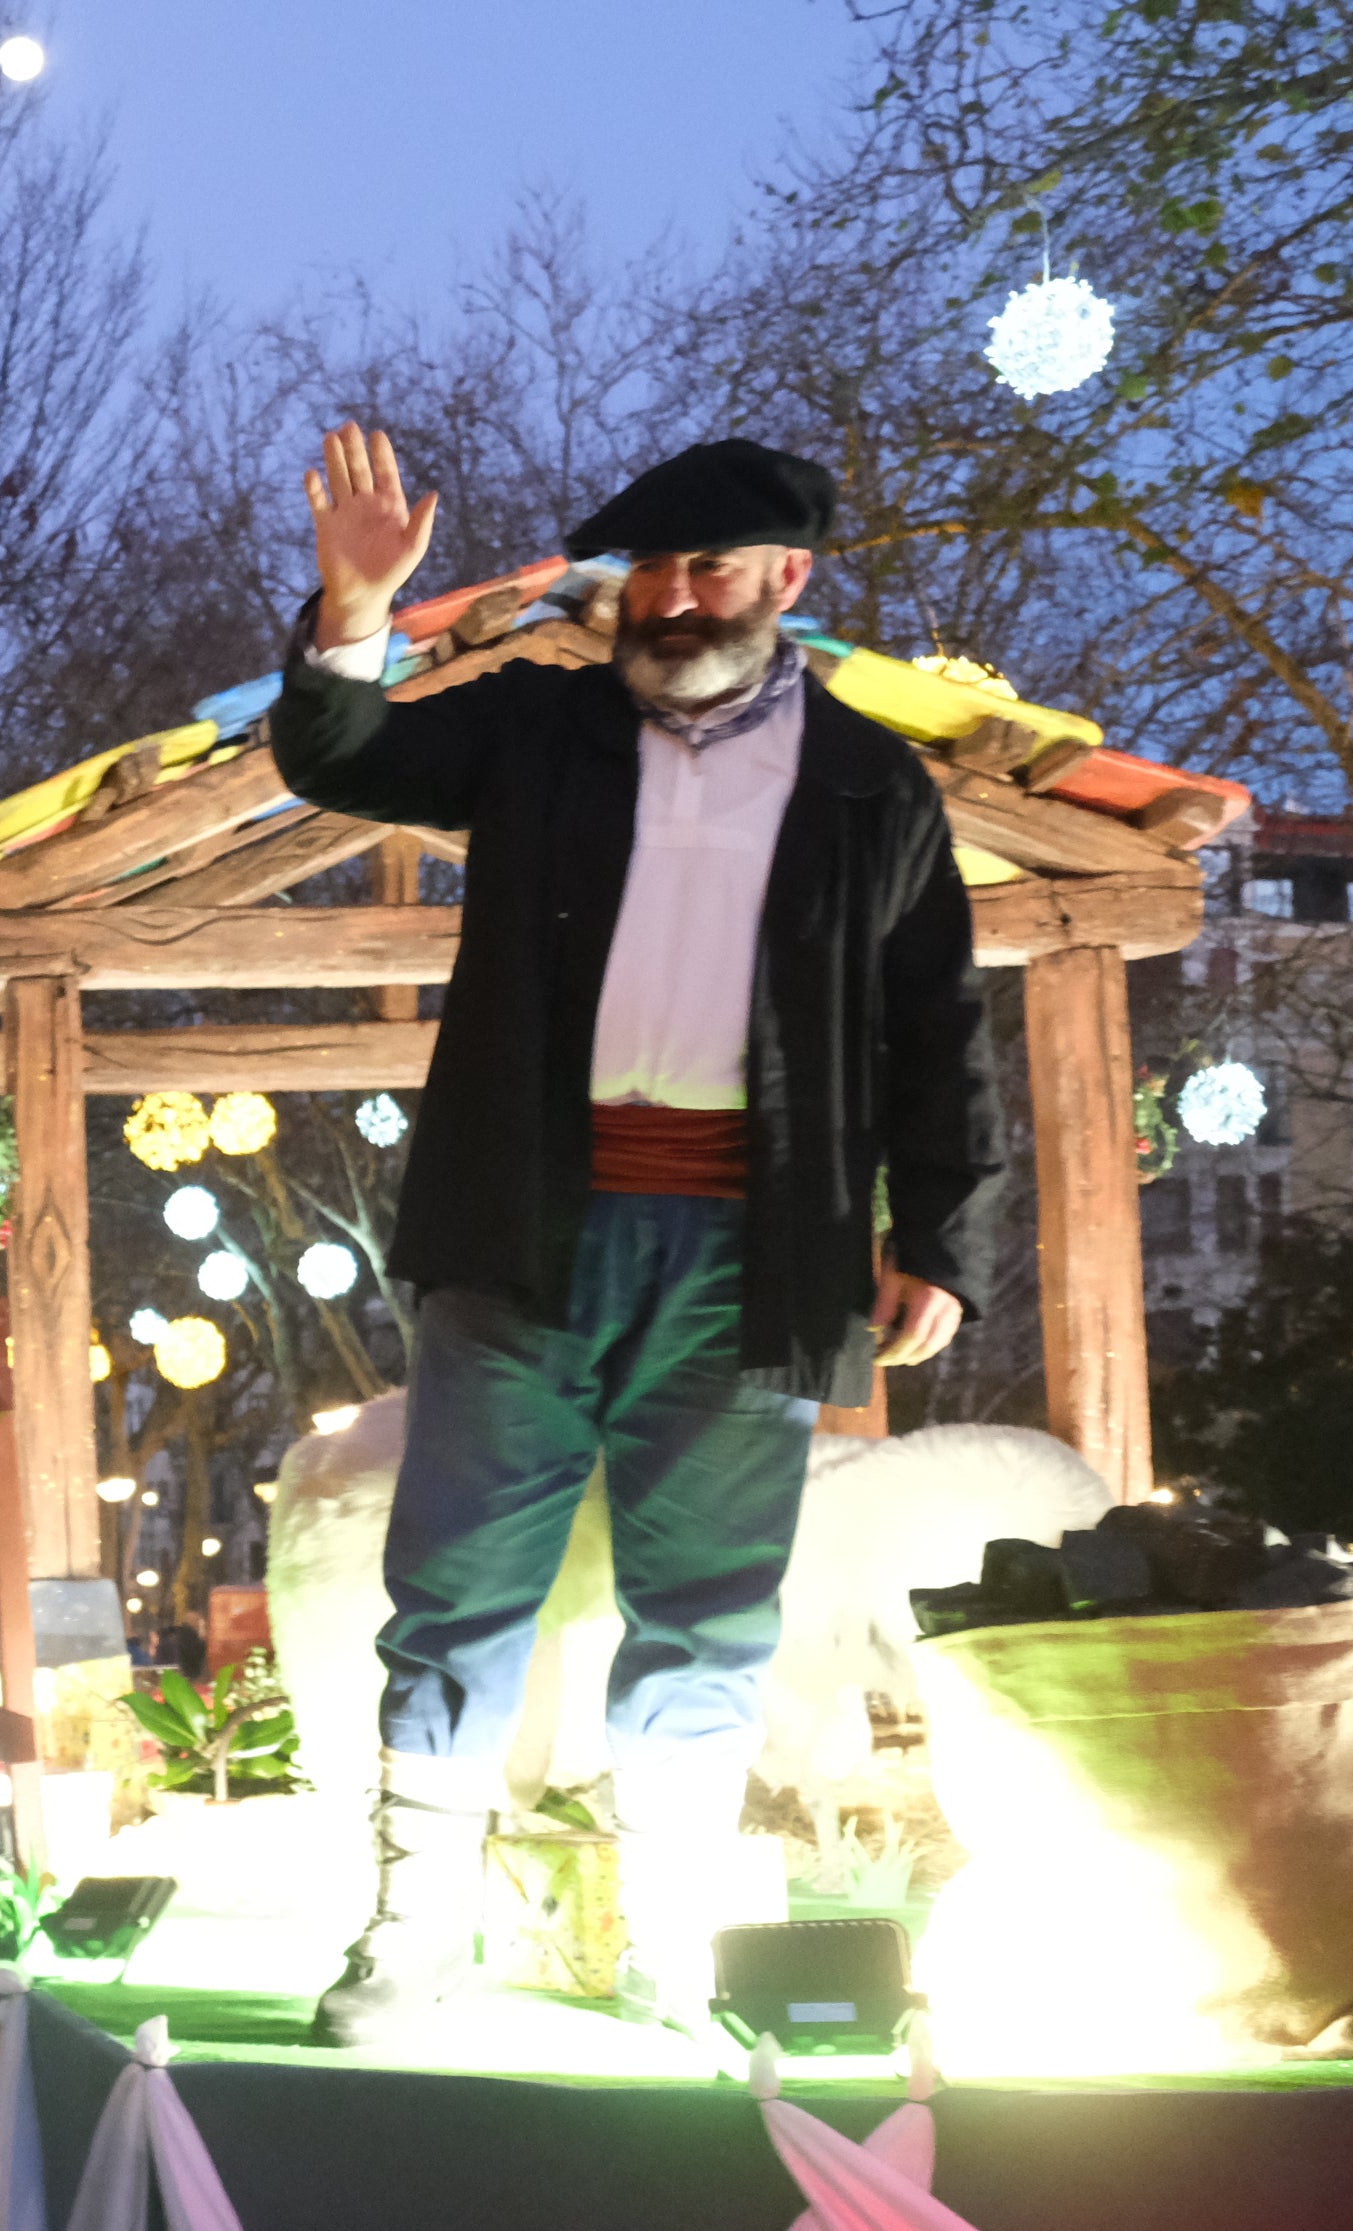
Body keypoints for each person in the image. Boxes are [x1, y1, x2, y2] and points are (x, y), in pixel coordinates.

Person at [276, 427, 995, 2044]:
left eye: (709, 569)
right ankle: (411, 1935)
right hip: (524, 1231)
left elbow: (932, 1023)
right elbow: (338, 756)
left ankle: (679, 1942)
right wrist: (352, 606)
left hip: (757, 1258)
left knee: (712, 1607)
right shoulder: (539, 727)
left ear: (788, 581)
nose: (670, 600)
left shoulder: (875, 782)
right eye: (649, 573)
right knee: (454, 1588)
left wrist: (942, 1238)